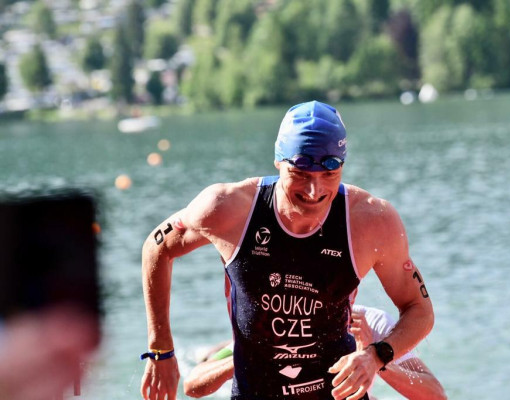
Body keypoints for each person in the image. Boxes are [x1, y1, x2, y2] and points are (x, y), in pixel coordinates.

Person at [140, 100, 435, 400]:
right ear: (278, 161)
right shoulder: (228, 209)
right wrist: (160, 349)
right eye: (301, 173)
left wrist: (376, 355)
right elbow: (157, 247)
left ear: (342, 165)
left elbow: (419, 310)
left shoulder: (372, 221)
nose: (314, 191)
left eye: (329, 173)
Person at [183, 305, 446, 400]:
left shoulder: (372, 323)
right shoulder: (283, 322)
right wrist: (252, 354)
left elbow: (434, 395)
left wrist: (376, 358)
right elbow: (193, 385)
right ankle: (217, 347)